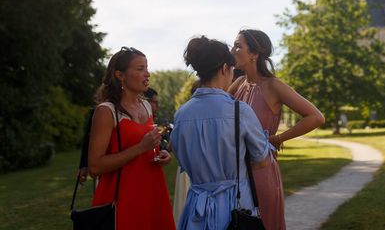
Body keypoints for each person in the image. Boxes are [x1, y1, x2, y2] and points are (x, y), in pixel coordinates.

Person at [228, 29, 325, 230]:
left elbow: (316, 117)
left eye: (238, 46)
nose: (232, 50)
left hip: (260, 171)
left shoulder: (274, 86)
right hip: (233, 172)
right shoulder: (238, 84)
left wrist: (279, 138)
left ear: (254, 54)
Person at [170, 36, 271, 229]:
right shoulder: (239, 110)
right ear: (225, 68)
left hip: (196, 211)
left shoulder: (181, 114)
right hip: (235, 210)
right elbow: (262, 160)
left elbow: (181, 158)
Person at [88, 46, 174, 230]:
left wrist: (162, 154)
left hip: (152, 191)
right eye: (140, 69)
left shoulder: (146, 106)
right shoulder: (106, 111)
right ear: (120, 75)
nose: (148, 74)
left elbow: (148, 148)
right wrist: (140, 148)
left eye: (147, 68)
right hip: (122, 198)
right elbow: (94, 167)